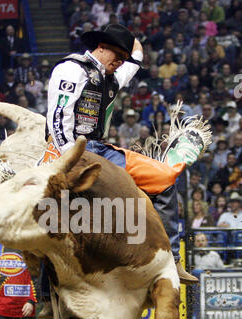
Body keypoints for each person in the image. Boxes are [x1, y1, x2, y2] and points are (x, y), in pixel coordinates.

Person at [45, 23, 202, 283]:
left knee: (165, 179)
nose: (120, 62)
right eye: (117, 56)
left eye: (123, 58)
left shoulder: (112, 74)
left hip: (98, 150)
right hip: (68, 150)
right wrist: (70, 158)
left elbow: (135, 59)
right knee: (50, 215)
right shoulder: (71, 69)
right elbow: (59, 118)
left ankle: (171, 260)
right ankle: (48, 287)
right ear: (101, 47)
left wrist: (131, 45)